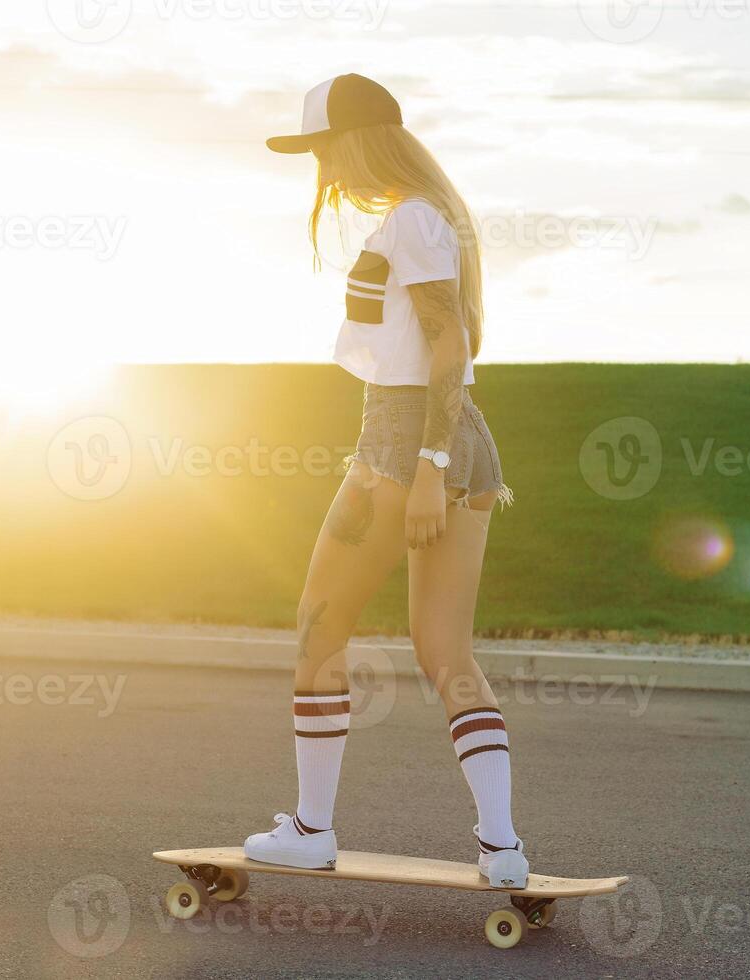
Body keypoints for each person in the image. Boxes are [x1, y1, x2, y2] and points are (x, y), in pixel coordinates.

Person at [242, 74, 527, 888]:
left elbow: (448, 343)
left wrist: (428, 466)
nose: (323, 170)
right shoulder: (438, 216)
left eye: (324, 149)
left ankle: (310, 830)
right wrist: (443, 460)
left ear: (355, 142)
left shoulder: (412, 222)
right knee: (446, 652)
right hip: (460, 441)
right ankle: (503, 849)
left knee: (315, 629)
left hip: (408, 442)